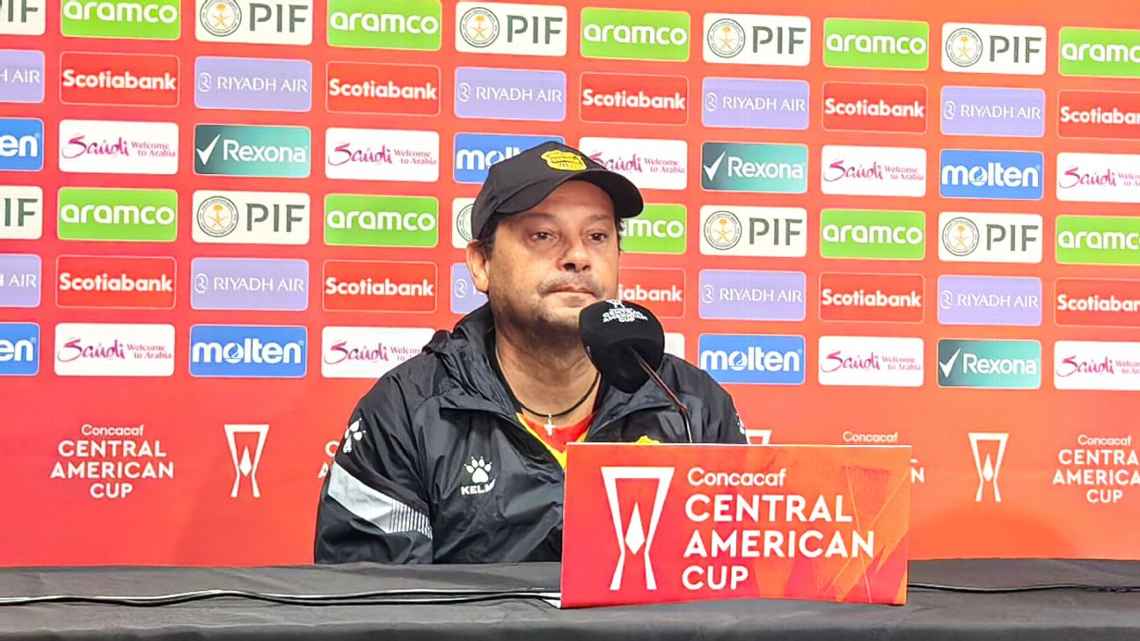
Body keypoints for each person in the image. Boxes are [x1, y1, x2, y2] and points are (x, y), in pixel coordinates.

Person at [314, 141, 746, 564]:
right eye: (543, 235)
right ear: (481, 264)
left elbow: (739, 586)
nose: (578, 256)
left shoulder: (691, 407)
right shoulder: (407, 412)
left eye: (597, 236)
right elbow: (377, 598)